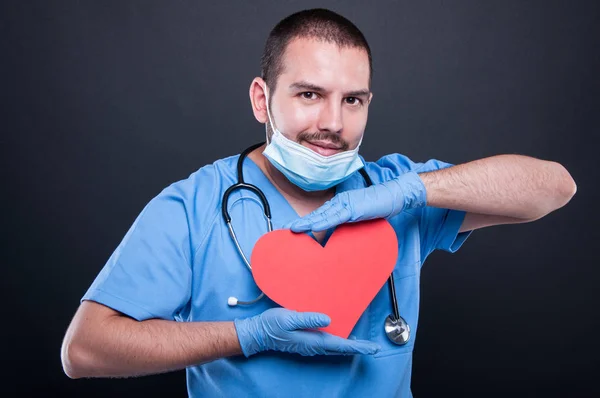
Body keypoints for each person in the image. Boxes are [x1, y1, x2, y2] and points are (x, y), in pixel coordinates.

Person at [60, 8, 577, 398]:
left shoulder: (397, 188)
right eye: (310, 95)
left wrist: (411, 191)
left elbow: (554, 187)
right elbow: (83, 350)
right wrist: (249, 335)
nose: (333, 122)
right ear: (263, 98)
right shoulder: (194, 206)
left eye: (353, 100)